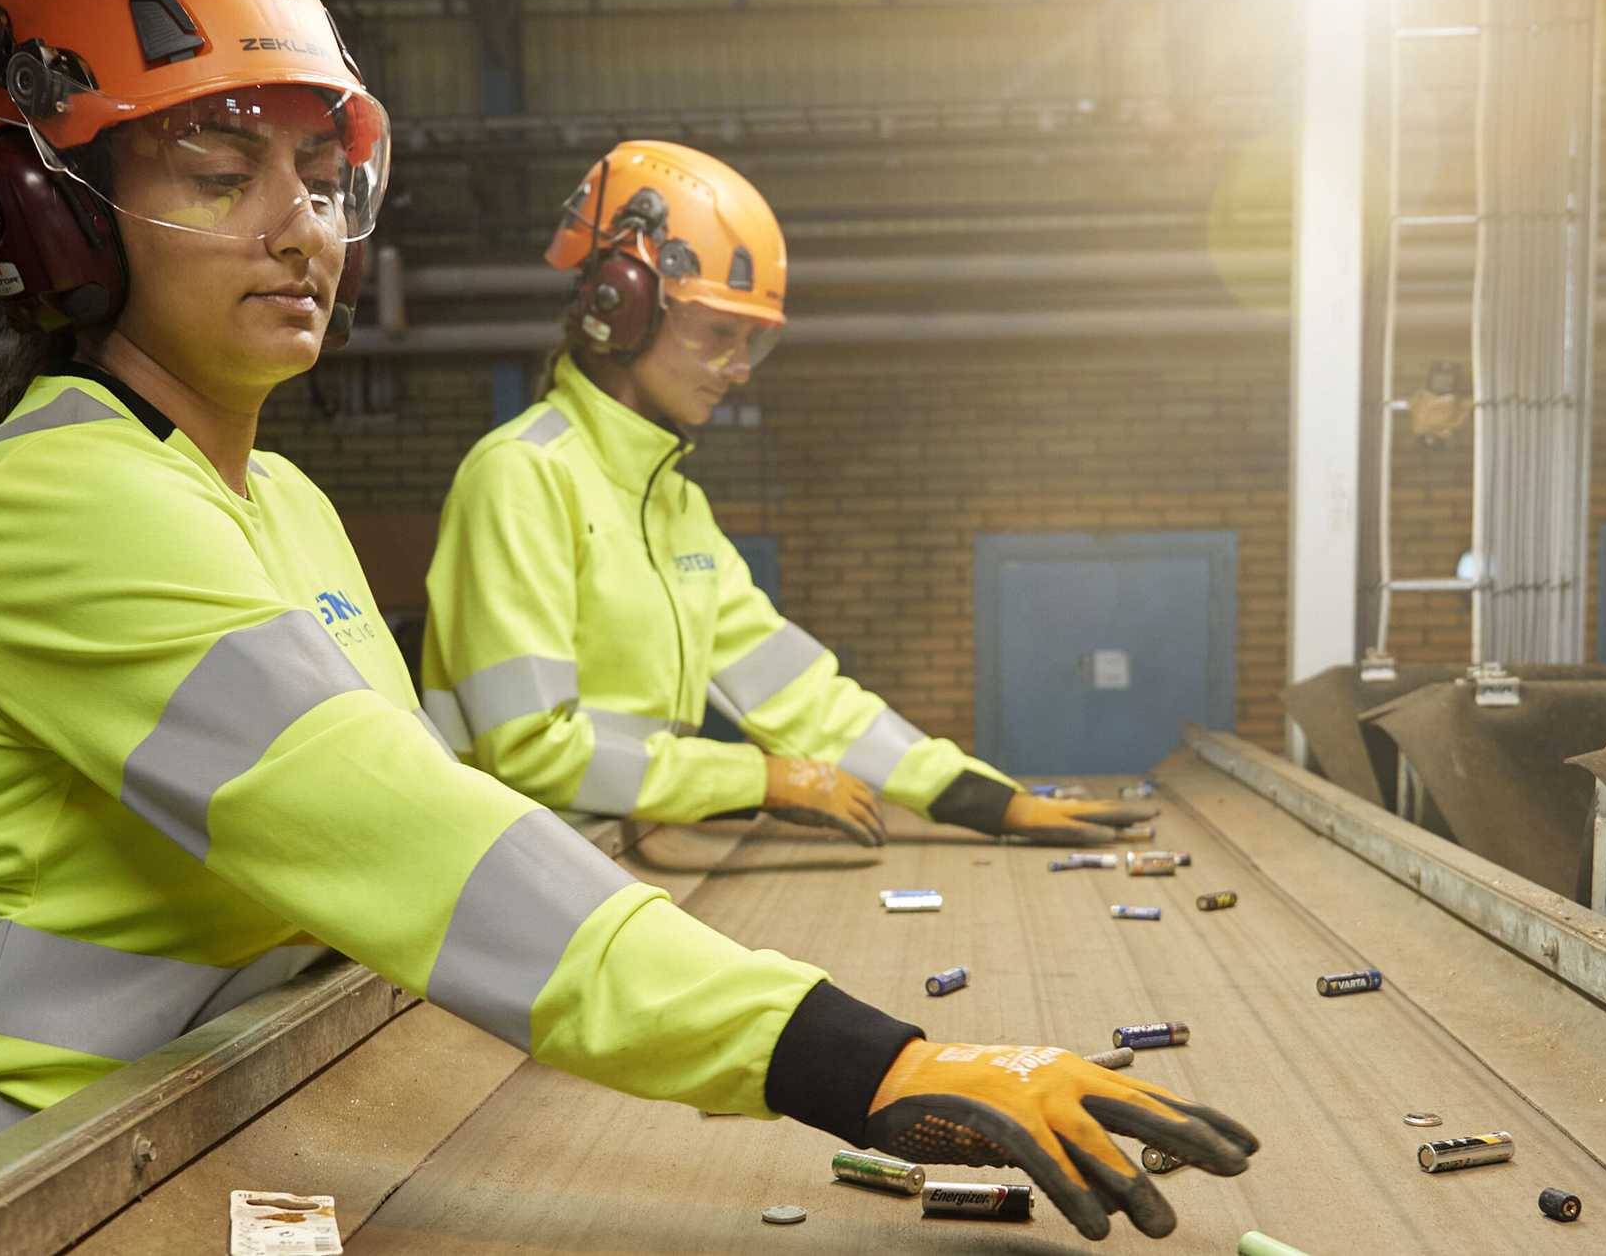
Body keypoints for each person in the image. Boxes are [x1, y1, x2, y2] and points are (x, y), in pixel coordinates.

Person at [0, 0, 1253, 1240]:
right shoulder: (64, 499)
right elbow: (415, 826)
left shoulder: (284, 503)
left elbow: (482, 794)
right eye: (217, 169)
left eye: (321, 174)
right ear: (45, 212)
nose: (300, 223)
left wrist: (976, 796)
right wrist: (862, 1062)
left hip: (193, 1121)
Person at [419, 141, 1153, 850]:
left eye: (752, 342)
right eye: (717, 333)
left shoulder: (673, 507)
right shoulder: (521, 476)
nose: (737, 368)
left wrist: (984, 797)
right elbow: (527, 751)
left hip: (603, 859)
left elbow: (800, 696)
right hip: (508, 882)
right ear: (627, 305)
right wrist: (759, 778)